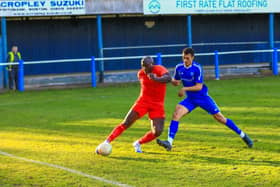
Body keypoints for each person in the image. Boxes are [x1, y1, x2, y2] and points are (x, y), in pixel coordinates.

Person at [157, 48, 253, 151]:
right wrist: (166, 79)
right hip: (190, 99)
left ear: (192, 58)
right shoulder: (179, 68)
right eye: (184, 58)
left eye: (187, 58)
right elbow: (176, 82)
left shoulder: (197, 68)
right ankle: (169, 142)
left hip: (202, 97)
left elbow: (199, 86)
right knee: (176, 113)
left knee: (220, 118)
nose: (185, 60)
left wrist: (185, 89)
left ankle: (243, 135)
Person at [96, 56, 171, 153]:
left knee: (157, 132)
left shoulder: (159, 69)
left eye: (149, 65)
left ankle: (138, 143)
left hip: (157, 105)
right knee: (126, 123)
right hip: (143, 102)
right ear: (142, 66)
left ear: (152, 64)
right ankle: (106, 142)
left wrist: (157, 78)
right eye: (144, 66)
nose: (147, 68)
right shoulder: (140, 74)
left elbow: (168, 78)